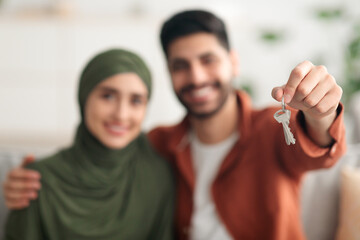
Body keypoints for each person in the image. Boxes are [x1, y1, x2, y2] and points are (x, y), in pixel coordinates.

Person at [3, 10, 346, 240]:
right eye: (181, 65)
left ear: (233, 61)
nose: (196, 77)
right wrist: (28, 179)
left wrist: (321, 112)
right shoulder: (159, 144)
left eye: (208, 60)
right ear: (168, 73)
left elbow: (319, 148)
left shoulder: (271, 130)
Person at [3, 49, 175, 240]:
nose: (121, 114)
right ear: (84, 97)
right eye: (108, 96)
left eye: (136, 101)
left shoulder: (157, 177)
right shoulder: (36, 181)